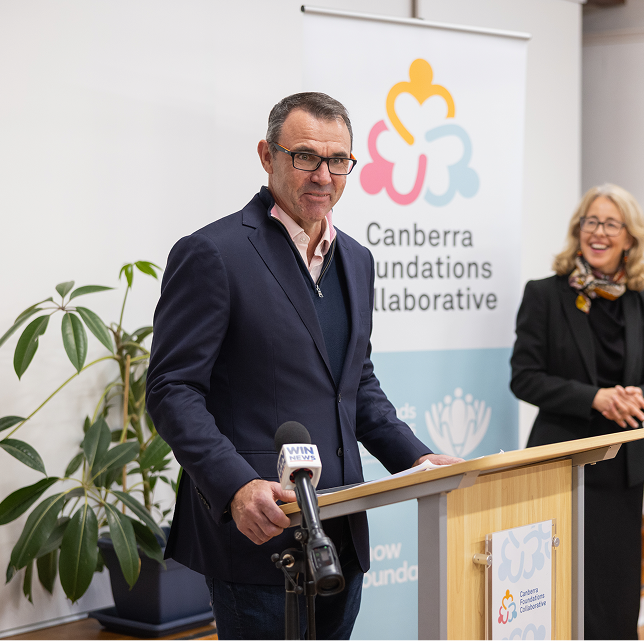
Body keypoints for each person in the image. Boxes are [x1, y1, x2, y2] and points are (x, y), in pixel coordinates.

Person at [145, 92, 461, 641]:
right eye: (306, 156)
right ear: (268, 156)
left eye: (338, 160)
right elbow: (173, 390)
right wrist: (236, 485)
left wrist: (416, 460)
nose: (324, 175)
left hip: (341, 530)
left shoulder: (357, 260)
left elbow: (355, 386)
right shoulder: (213, 253)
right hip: (260, 530)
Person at [510, 183, 644, 641]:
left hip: (621, 470)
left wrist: (641, 400)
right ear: (578, 231)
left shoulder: (642, 299)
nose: (598, 233)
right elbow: (524, 377)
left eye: (610, 224)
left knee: (617, 596)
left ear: (630, 238)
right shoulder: (545, 294)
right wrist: (594, 397)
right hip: (562, 466)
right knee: (560, 591)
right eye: (590, 222)